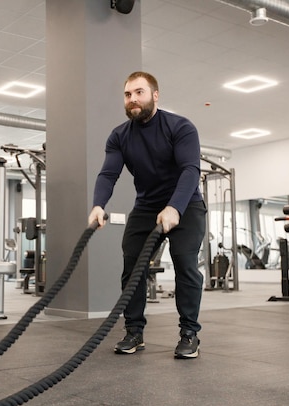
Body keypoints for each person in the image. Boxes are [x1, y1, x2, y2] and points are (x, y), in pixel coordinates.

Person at [88, 71, 206, 359]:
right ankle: (134, 331)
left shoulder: (180, 127)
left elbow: (191, 171)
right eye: (128, 95)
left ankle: (189, 333)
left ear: (155, 95)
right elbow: (108, 174)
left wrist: (174, 207)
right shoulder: (119, 136)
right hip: (146, 207)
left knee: (184, 263)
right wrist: (98, 204)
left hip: (186, 204)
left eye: (139, 92)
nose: (133, 99)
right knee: (132, 267)